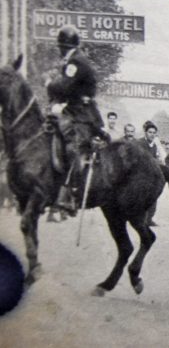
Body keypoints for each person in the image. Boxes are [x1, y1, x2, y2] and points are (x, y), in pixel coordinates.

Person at [48, 25, 109, 214]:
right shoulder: (73, 60)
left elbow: (64, 87)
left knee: (72, 147)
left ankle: (72, 193)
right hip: (74, 111)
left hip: (84, 116)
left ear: (65, 46)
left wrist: (50, 84)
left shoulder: (76, 62)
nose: (59, 50)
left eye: (61, 47)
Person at [137, 121, 165, 226]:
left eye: (154, 133)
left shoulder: (154, 145)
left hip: (151, 175)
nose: (152, 135)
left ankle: (149, 219)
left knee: (153, 196)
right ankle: (141, 219)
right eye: (150, 132)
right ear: (145, 132)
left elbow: (158, 158)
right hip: (140, 175)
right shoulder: (139, 143)